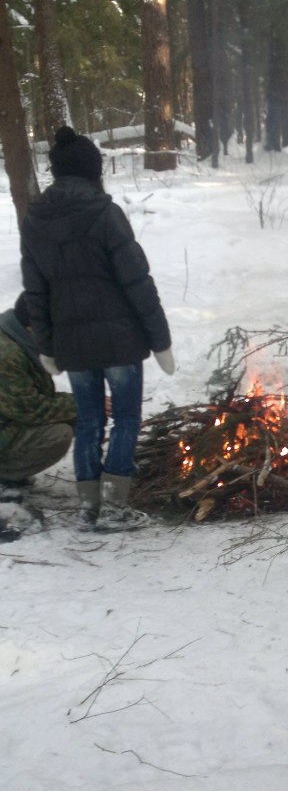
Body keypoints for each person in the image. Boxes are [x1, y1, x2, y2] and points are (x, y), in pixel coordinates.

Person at [20, 126, 175, 533]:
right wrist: (160, 340)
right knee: (125, 418)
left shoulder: (34, 220)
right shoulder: (105, 214)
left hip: (74, 346)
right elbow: (136, 280)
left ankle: (89, 505)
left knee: (89, 422)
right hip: (119, 341)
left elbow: (36, 291)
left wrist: (49, 346)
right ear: (92, 170)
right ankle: (114, 505)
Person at [0, 292, 77, 541]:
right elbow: (29, 409)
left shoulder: (16, 340)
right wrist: (84, 404)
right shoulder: (8, 354)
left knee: (66, 416)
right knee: (57, 434)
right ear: (32, 327)